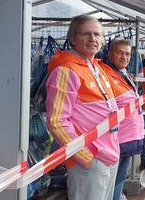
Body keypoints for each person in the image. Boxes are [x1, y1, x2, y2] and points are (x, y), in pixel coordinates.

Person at [45, 15, 119, 200]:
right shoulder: (67, 69)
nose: (93, 39)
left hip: (108, 155)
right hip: (91, 159)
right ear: (72, 38)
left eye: (97, 34)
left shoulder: (96, 67)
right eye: (86, 34)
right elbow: (56, 121)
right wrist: (87, 158)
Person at [99, 38, 143, 200]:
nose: (124, 57)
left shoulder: (121, 73)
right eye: (120, 53)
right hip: (115, 139)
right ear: (110, 53)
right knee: (111, 182)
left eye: (127, 54)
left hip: (126, 137)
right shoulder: (105, 74)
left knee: (118, 179)